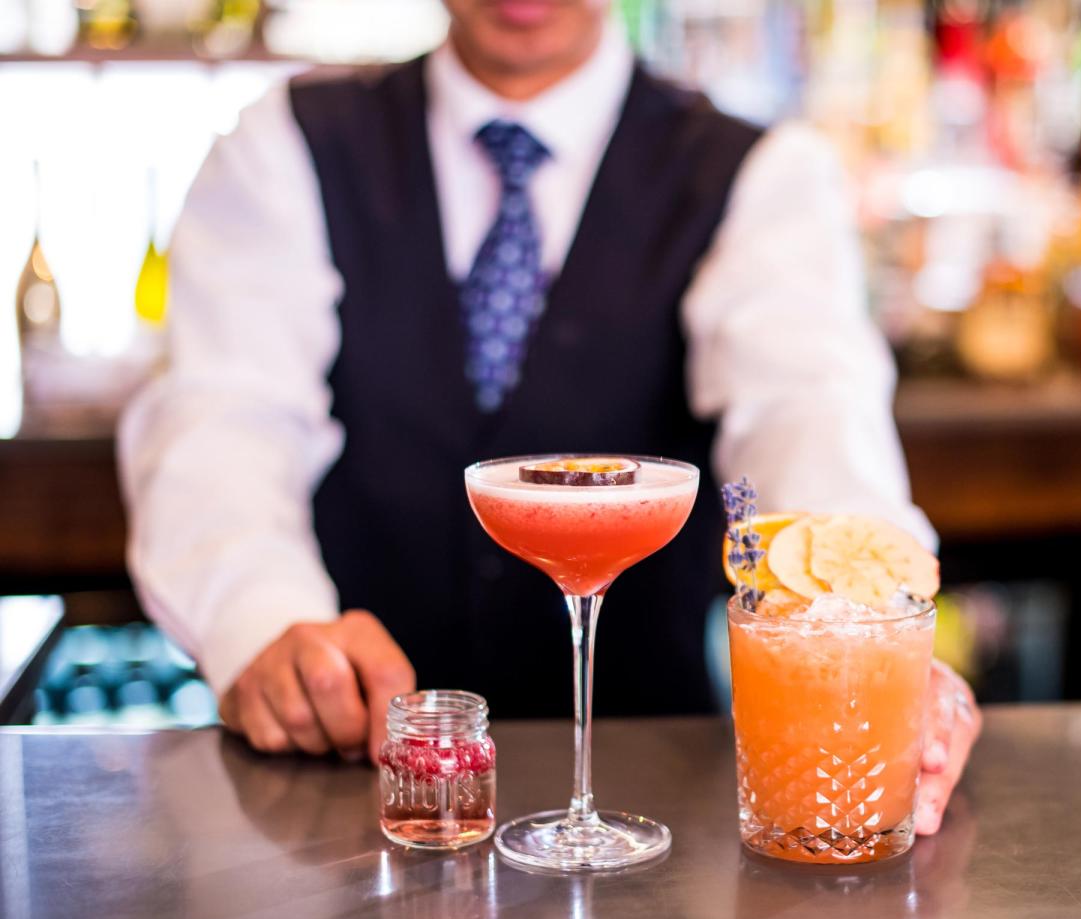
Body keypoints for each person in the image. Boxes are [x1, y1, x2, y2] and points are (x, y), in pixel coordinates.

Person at [119, 0, 979, 834]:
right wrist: (261, 620)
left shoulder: (758, 170)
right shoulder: (289, 142)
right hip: (350, 805)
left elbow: (803, 405)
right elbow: (225, 410)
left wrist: (862, 626)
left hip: (653, 813)